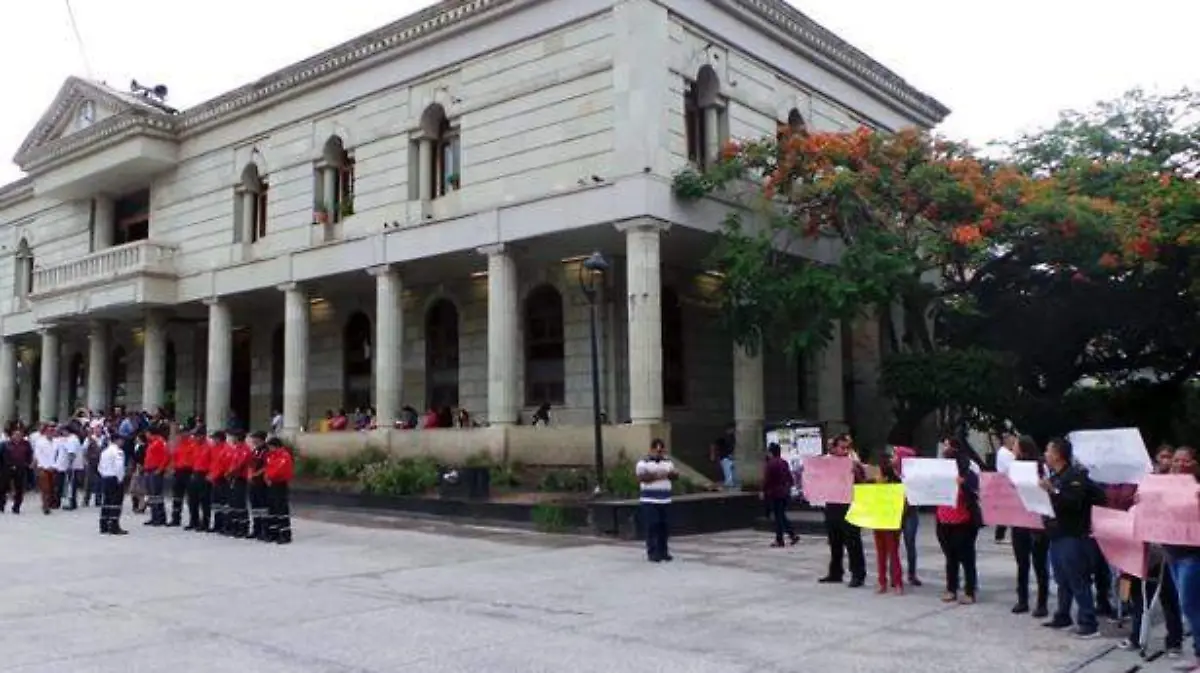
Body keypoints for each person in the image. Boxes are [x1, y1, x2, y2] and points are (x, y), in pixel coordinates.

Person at [1039, 436, 1101, 639]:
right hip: (1056, 534)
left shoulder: (1075, 476)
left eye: (1048, 451)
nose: (1045, 455)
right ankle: (1063, 614)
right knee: (1061, 578)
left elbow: (1071, 502)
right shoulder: (1055, 476)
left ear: (1058, 454)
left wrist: (1052, 490)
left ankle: (1088, 622)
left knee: (1078, 579)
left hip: (1073, 535)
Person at [1163, 445, 1200, 671]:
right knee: (1187, 607)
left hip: (1192, 556)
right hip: (1172, 554)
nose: (1177, 465)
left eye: (1184, 461)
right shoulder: (1164, 487)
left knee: (1193, 607)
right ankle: (1196, 654)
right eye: (1175, 460)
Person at [936, 439, 982, 605]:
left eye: (948, 445)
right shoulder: (940, 468)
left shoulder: (968, 468)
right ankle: (951, 588)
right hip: (944, 518)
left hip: (963, 519)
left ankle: (970, 590)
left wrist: (964, 484)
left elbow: (977, 488)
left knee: (966, 556)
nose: (945, 449)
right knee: (950, 557)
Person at [818, 434, 867, 588]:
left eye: (847, 447)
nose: (845, 450)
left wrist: (856, 469)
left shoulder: (854, 463)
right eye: (842, 447)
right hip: (832, 505)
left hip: (850, 506)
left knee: (853, 542)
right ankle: (835, 572)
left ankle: (858, 574)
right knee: (834, 541)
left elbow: (864, 481)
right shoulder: (827, 462)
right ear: (834, 448)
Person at [1011, 435, 1050, 617]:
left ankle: (1042, 603)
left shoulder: (1041, 466)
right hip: (1019, 519)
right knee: (1022, 563)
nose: (1013, 448)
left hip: (1037, 520)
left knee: (1039, 564)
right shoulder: (1014, 466)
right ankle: (1022, 599)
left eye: (1016, 446)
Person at [635, 438, 677, 563]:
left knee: (664, 526)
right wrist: (658, 475)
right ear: (652, 450)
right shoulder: (643, 463)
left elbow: (674, 475)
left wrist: (672, 474)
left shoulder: (668, 462)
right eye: (657, 451)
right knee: (652, 525)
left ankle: (663, 551)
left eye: (661, 451)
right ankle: (652, 552)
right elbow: (641, 478)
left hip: (665, 499)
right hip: (650, 500)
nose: (659, 453)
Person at [875, 449, 905, 594]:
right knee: (882, 554)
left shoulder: (895, 486)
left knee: (891, 553)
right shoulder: (875, 486)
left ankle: (895, 582)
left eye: (879, 474)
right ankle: (884, 582)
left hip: (890, 524)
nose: (876, 476)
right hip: (880, 522)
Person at [892, 445, 922, 587]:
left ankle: (912, 574)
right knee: (893, 545)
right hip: (895, 512)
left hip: (910, 513)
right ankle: (894, 574)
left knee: (910, 544)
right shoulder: (891, 473)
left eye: (896, 455)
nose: (893, 458)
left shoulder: (914, 476)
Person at [761, 442, 798, 548]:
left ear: (771, 452)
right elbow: (790, 478)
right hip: (785, 493)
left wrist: (763, 491)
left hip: (775, 493)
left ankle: (780, 540)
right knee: (781, 515)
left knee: (778, 517)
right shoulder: (784, 462)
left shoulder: (770, 464)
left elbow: (767, 480)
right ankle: (792, 535)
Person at [264, 437, 294, 544]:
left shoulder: (284, 456)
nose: (269, 449)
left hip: (280, 484)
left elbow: (279, 469)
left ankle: (285, 534)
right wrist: (266, 477)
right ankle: (274, 532)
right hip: (272, 484)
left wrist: (270, 477)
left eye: (270, 447)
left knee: (281, 509)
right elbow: (268, 467)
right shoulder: (272, 456)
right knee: (272, 508)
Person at [98, 436, 128, 535]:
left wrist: (104, 475)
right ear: (117, 440)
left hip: (105, 478)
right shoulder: (118, 452)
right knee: (116, 503)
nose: (123, 442)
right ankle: (114, 526)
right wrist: (120, 479)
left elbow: (100, 467)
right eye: (122, 440)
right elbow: (119, 467)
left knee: (106, 502)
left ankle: (104, 525)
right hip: (114, 478)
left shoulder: (104, 451)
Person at [225, 432, 252, 538]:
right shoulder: (236, 449)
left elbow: (240, 464)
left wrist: (230, 473)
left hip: (240, 479)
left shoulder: (245, 449)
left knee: (240, 503)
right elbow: (232, 463)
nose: (232, 439)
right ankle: (234, 526)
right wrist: (229, 473)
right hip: (234, 478)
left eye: (233, 437)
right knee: (234, 503)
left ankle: (243, 527)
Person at [142, 429, 169, 526]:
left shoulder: (160, 442)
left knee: (157, 494)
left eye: (147, 433)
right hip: (149, 470)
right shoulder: (151, 443)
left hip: (155, 470)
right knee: (151, 495)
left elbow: (166, 456)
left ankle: (160, 517)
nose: (146, 435)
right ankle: (154, 516)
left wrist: (160, 469)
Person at [1, 428, 31, 514]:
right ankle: (1, 504)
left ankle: (16, 506)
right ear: (12, 435)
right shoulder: (5, 444)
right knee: (3, 488)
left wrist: (27, 463)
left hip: (20, 468)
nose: (18, 436)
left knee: (19, 488)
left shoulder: (26, 444)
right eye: (16, 434)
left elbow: (29, 454)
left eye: (19, 435)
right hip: (6, 469)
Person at [994, 433, 1017, 544]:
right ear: (1006, 441)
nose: (1014, 442)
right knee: (1006, 510)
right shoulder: (1004, 453)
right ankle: (999, 536)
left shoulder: (1007, 452)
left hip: (1008, 482)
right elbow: (1011, 467)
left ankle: (1000, 535)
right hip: (1005, 482)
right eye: (1012, 440)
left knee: (1007, 510)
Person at [247, 431, 270, 540]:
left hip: (261, 483)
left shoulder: (266, 451)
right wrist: (250, 474)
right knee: (255, 506)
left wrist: (256, 474)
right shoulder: (255, 450)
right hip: (253, 482)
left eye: (254, 438)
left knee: (263, 506)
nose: (252, 440)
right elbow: (251, 464)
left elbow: (267, 466)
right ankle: (256, 529)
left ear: (260, 439)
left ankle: (264, 529)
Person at [169, 429, 194, 527]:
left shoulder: (192, 444)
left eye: (184, 432)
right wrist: (173, 468)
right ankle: (175, 518)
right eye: (180, 433)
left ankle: (193, 520)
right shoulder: (179, 445)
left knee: (191, 497)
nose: (182, 435)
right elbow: (174, 458)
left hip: (188, 471)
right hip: (178, 472)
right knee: (177, 497)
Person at [188, 431, 212, 532]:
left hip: (205, 474)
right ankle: (194, 521)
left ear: (203, 436)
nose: (196, 438)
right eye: (195, 436)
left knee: (204, 500)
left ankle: (205, 523)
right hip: (195, 473)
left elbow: (213, 461)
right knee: (192, 500)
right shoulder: (194, 446)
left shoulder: (209, 447)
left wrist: (210, 474)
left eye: (198, 436)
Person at [207, 431, 230, 534]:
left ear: (220, 438)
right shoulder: (214, 448)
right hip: (215, 478)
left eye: (215, 438)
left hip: (222, 478)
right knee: (216, 503)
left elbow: (223, 466)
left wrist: (214, 475)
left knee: (224, 503)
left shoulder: (226, 449)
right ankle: (217, 523)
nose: (213, 440)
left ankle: (225, 525)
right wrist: (210, 474)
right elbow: (212, 463)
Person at [33, 426, 57, 514]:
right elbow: (38, 456)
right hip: (43, 468)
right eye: (49, 431)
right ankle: (45, 506)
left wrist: (54, 465)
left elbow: (57, 455)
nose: (51, 432)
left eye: (52, 431)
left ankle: (49, 503)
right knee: (45, 488)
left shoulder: (56, 441)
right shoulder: (40, 442)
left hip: (53, 468)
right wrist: (45, 466)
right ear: (45, 432)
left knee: (52, 488)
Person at [711, 423, 737, 489]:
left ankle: (730, 483)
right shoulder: (723, 437)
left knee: (732, 471)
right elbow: (714, 445)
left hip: (730, 457)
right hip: (725, 457)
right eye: (732, 429)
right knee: (728, 471)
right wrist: (713, 454)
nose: (733, 431)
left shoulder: (733, 437)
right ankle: (729, 483)